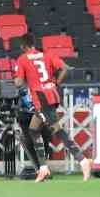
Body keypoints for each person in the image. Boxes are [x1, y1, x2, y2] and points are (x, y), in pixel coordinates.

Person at [15, 33, 83, 182]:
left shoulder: (22, 59)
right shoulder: (47, 55)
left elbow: (19, 82)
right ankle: (43, 168)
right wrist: (56, 83)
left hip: (41, 98)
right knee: (33, 129)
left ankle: (83, 160)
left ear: (22, 46)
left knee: (56, 129)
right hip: (52, 94)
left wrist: (18, 80)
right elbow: (65, 68)